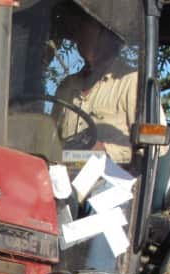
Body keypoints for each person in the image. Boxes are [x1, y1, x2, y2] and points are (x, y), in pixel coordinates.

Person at [51, 13, 141, 164]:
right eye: (81, 32)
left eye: (89, 31)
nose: (83, 38)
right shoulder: (67, 86)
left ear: (111, 38)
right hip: (62, 180)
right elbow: (50, 141)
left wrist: (104, 151)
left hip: (115, 181)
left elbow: (156, 149)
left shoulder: (132, 82)